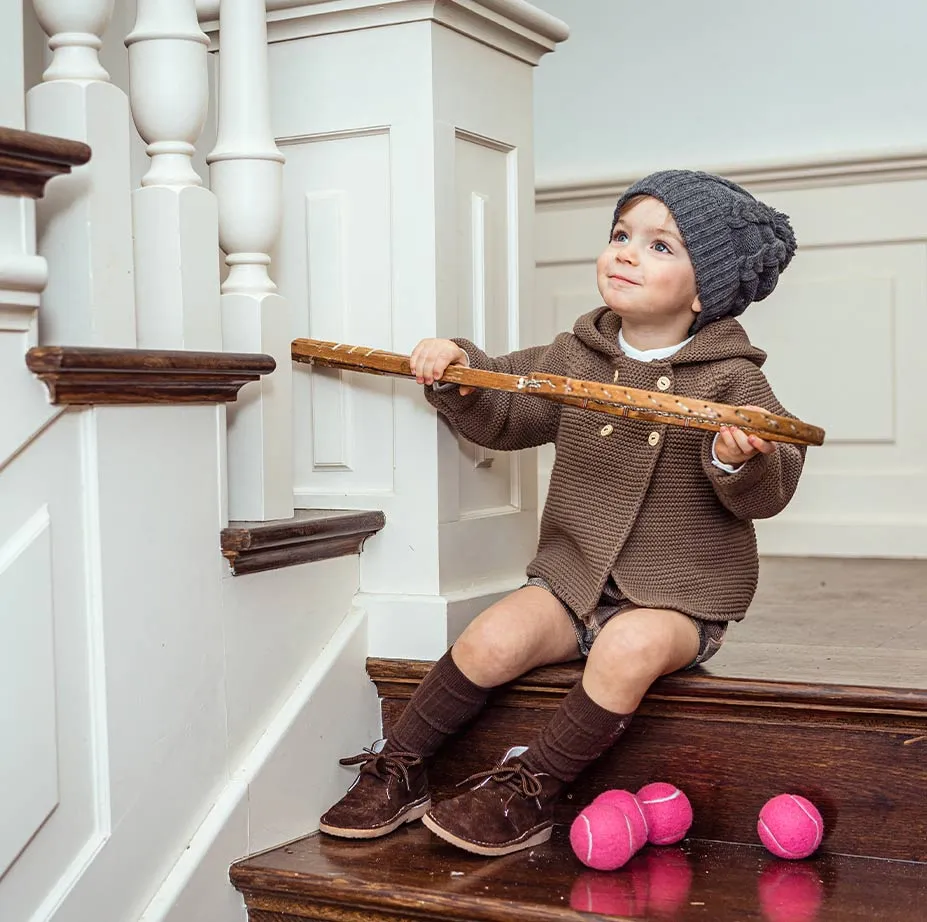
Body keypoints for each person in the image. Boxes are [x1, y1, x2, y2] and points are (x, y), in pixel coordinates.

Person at [319, 169, 805, 857]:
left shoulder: (733, 380)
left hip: (678, 601)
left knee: (625, 646)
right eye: (620, 235)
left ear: (705, 290)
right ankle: (400, 767)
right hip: (573, 581)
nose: (627, 252)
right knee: (491, 636)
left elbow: (769, 490)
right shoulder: (578, 354)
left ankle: (531, 788)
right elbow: (508, 410)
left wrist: (737, 457)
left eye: (660, 246)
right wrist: (457, 368)